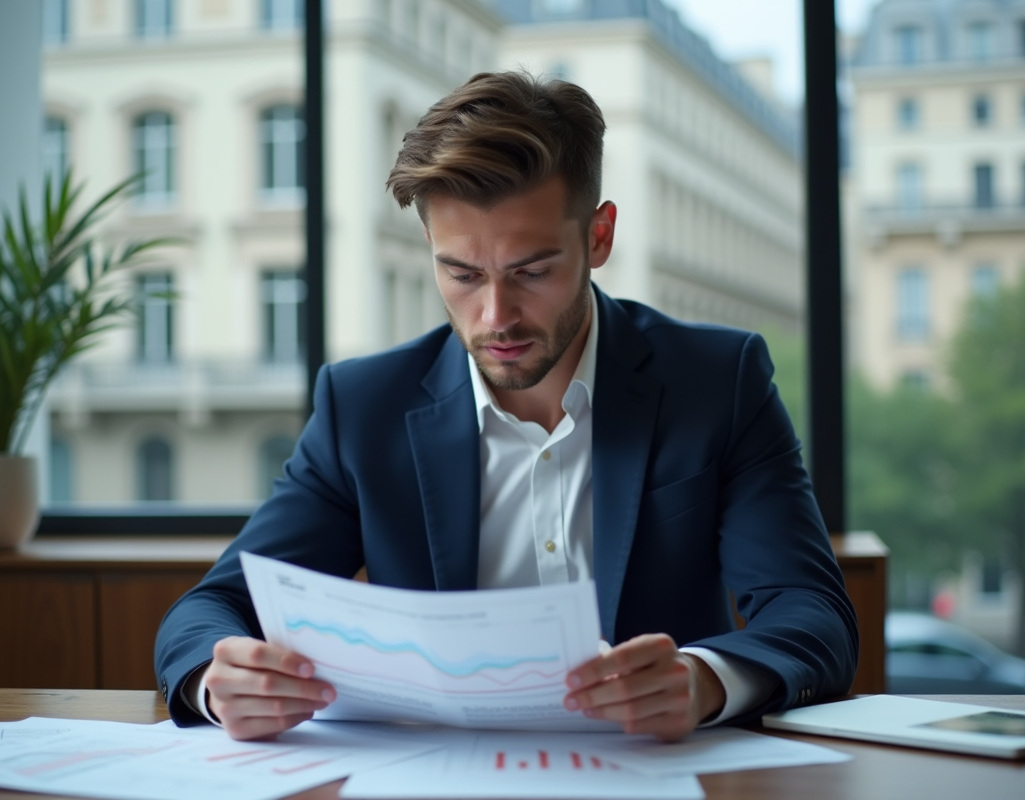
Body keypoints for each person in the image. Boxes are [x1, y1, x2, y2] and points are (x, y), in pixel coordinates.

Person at [155, 71, 858, 743]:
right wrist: (218, 686)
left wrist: (704, 680)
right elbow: (207, 611)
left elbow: (813, 614)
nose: (496, 315)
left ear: (599, 238)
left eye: (532, 271)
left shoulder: (716, 382)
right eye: (462, 274)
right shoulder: (363, 408)